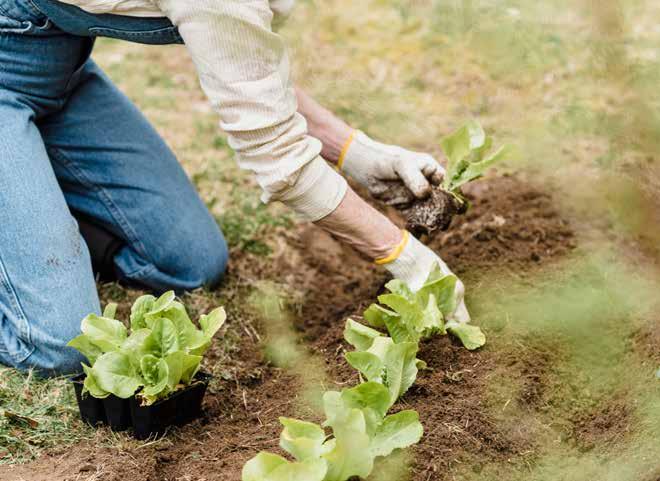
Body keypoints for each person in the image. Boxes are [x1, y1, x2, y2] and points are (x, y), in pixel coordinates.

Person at [0, 0, 470, 376]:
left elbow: (244, 68)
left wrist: (358, 154)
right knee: (60, 345)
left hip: (59, 68)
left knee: (189, 264)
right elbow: (280, 161)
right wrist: (404, 258)